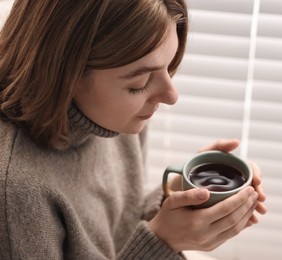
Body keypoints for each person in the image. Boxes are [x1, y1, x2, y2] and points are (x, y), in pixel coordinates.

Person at [0, 0, 267, 259]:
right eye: (139, 82)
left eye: (169, 66)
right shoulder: (15, 195)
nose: (171, 96)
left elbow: (119, 231)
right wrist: (162, 243)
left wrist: (180, 190)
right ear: (63, 73)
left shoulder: (113, 119)